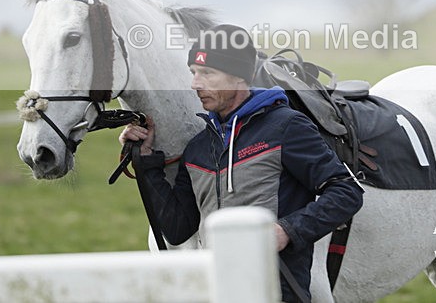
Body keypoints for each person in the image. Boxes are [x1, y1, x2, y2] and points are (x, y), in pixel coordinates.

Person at [120, 24, 364, 302]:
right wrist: (146, 160)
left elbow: (347, 192)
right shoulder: (198, 148)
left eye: (207, 73)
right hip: (217, 291)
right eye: (193, 72)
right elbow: (177, 229)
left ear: (238, 76)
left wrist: (287, 230)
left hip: (276, 291)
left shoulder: (286, 127)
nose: (195, 84)